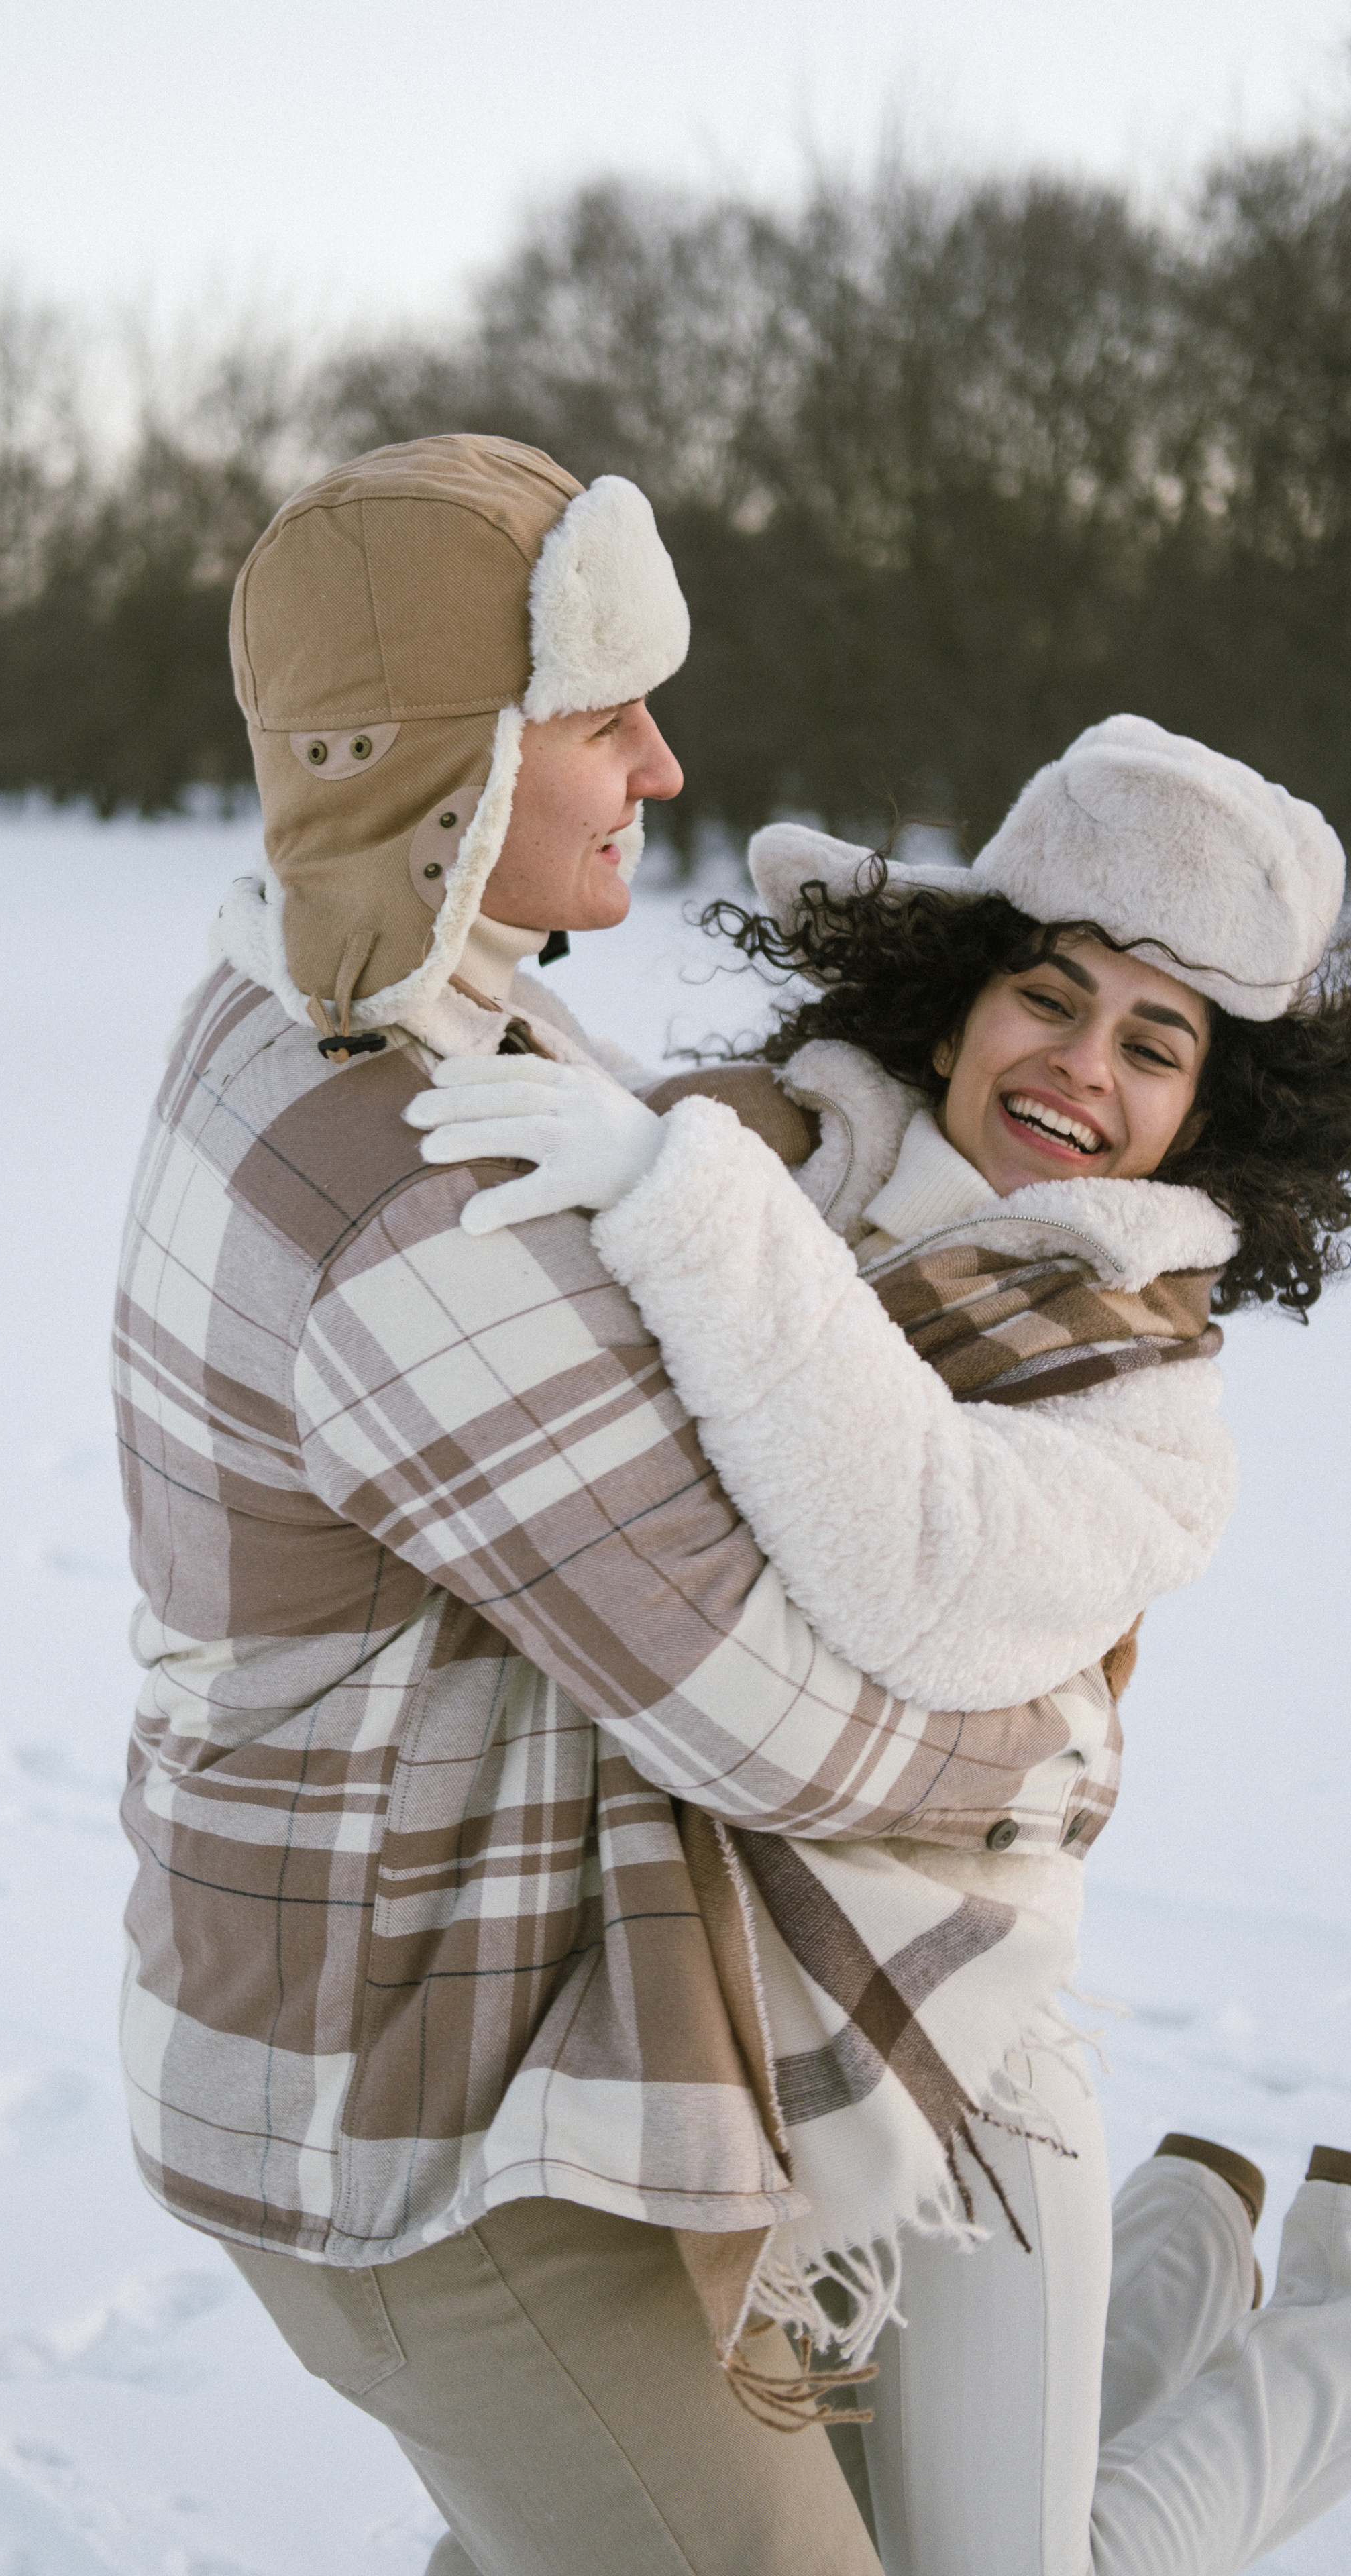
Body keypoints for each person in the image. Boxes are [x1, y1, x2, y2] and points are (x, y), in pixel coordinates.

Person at [111, 434, 1125, 2576]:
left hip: (516, 2046)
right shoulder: (405, 1180)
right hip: (428, 2143)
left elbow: (659, 1236)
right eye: (602, 718)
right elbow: (752, 1710)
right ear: (440, 763)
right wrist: (1051, 1749)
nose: (663, 767)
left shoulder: (392, 1014)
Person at [406, 714, 1351, 2573]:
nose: (1080, 1068)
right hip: (659, 2031)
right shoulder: (765, 1152)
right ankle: (1188, 2233)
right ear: (954, 1005)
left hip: (955, 2063)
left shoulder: (1149, 1412)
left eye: (1152, 1046)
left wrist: (684, 1202)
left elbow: (915, 1557)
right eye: (1047, 998)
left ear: (1205, 1119)